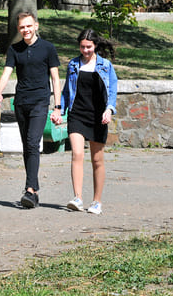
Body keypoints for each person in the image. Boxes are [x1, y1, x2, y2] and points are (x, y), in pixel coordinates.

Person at [0, 12, 61, 208]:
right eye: (22, 27)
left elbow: (55, 79)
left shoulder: (48, 48)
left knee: (32, 142)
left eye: (29, 26)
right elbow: (7, 72)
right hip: (21, 102)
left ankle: (29, 190)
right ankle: (34, 191)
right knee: (28, 146)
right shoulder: (15, 49)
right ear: (18, 29)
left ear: (36, 26)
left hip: (40, 101)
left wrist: (57, 107)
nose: (26, 30)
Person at [51, 29, 117, 215]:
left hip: (98, 116)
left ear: (95, 46)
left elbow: (112, 90)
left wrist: (109, 109)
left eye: (88, 47)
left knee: (97, 159)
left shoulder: (105, 65)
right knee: (77, 154)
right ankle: (77, 198)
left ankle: (97, 201)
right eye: (82, 47)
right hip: (77, 114)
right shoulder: (73, 64)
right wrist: (59, 110)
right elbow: (66, 92)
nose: (85, 50)